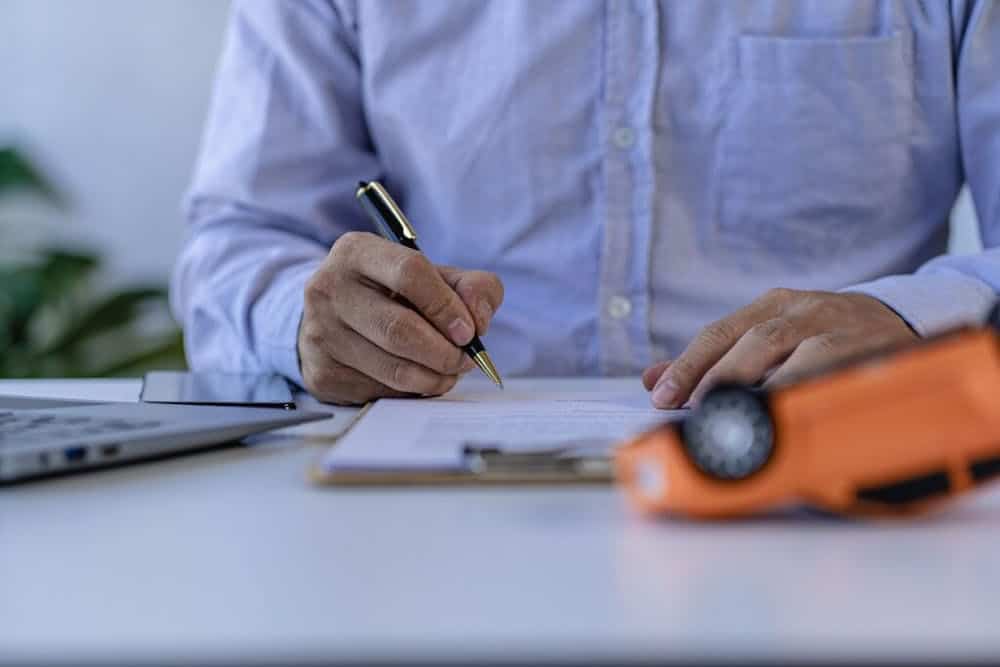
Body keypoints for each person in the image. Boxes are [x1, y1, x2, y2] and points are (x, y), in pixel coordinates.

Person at [171, 1, 1000, 408]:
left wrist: (914, 320)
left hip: (842, 486)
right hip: (430, 503)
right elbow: (239, 236)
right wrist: (307, 320)